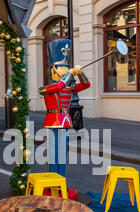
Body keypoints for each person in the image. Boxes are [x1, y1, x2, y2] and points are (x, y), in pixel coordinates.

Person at [38, 38, 90, 177]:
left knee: (62, 153)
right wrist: (70, 74)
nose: (65, 70)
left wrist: (80, 73)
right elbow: (59, 86)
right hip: (52, 120)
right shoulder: (47, 87)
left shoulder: (69, 87)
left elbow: (86, 85)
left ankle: (61, 180)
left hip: (65, 120)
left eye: (67, 68)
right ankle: (52, 180)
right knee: (53, 153)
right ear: (53, 70)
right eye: (62, 68)